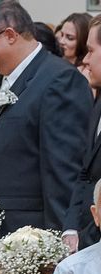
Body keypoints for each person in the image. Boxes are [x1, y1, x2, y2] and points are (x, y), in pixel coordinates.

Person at [0, 1, 93, 235]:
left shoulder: (59, 80)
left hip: (23, 231)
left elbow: (62, 169)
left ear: (10, 35)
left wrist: (60, 236)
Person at [64, 15, 101, 251]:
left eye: (90, 50)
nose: (85, 60)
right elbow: (85, 172)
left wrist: (86, 242)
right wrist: (70, 228)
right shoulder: (97, 102)